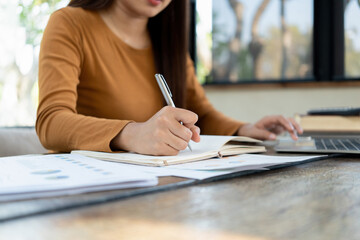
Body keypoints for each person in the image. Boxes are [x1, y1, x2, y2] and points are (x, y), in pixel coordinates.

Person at [36, 0, 302, 156]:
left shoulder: (168, 43)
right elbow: (51, 121)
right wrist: (133, 134)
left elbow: (202, 114)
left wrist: (245, 130)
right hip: (85, 192)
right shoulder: (70, 23)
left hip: (158, 188)